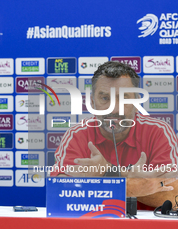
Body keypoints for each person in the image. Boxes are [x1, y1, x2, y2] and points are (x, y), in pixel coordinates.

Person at [51, 61, 178, 209]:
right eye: (105, 98)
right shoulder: (77, 135)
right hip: (92, 226)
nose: (114, 108)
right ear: (92, 102)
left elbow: (173, 197)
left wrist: (106, 174)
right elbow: (59, 193)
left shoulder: (158, 132)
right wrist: (133, 184)